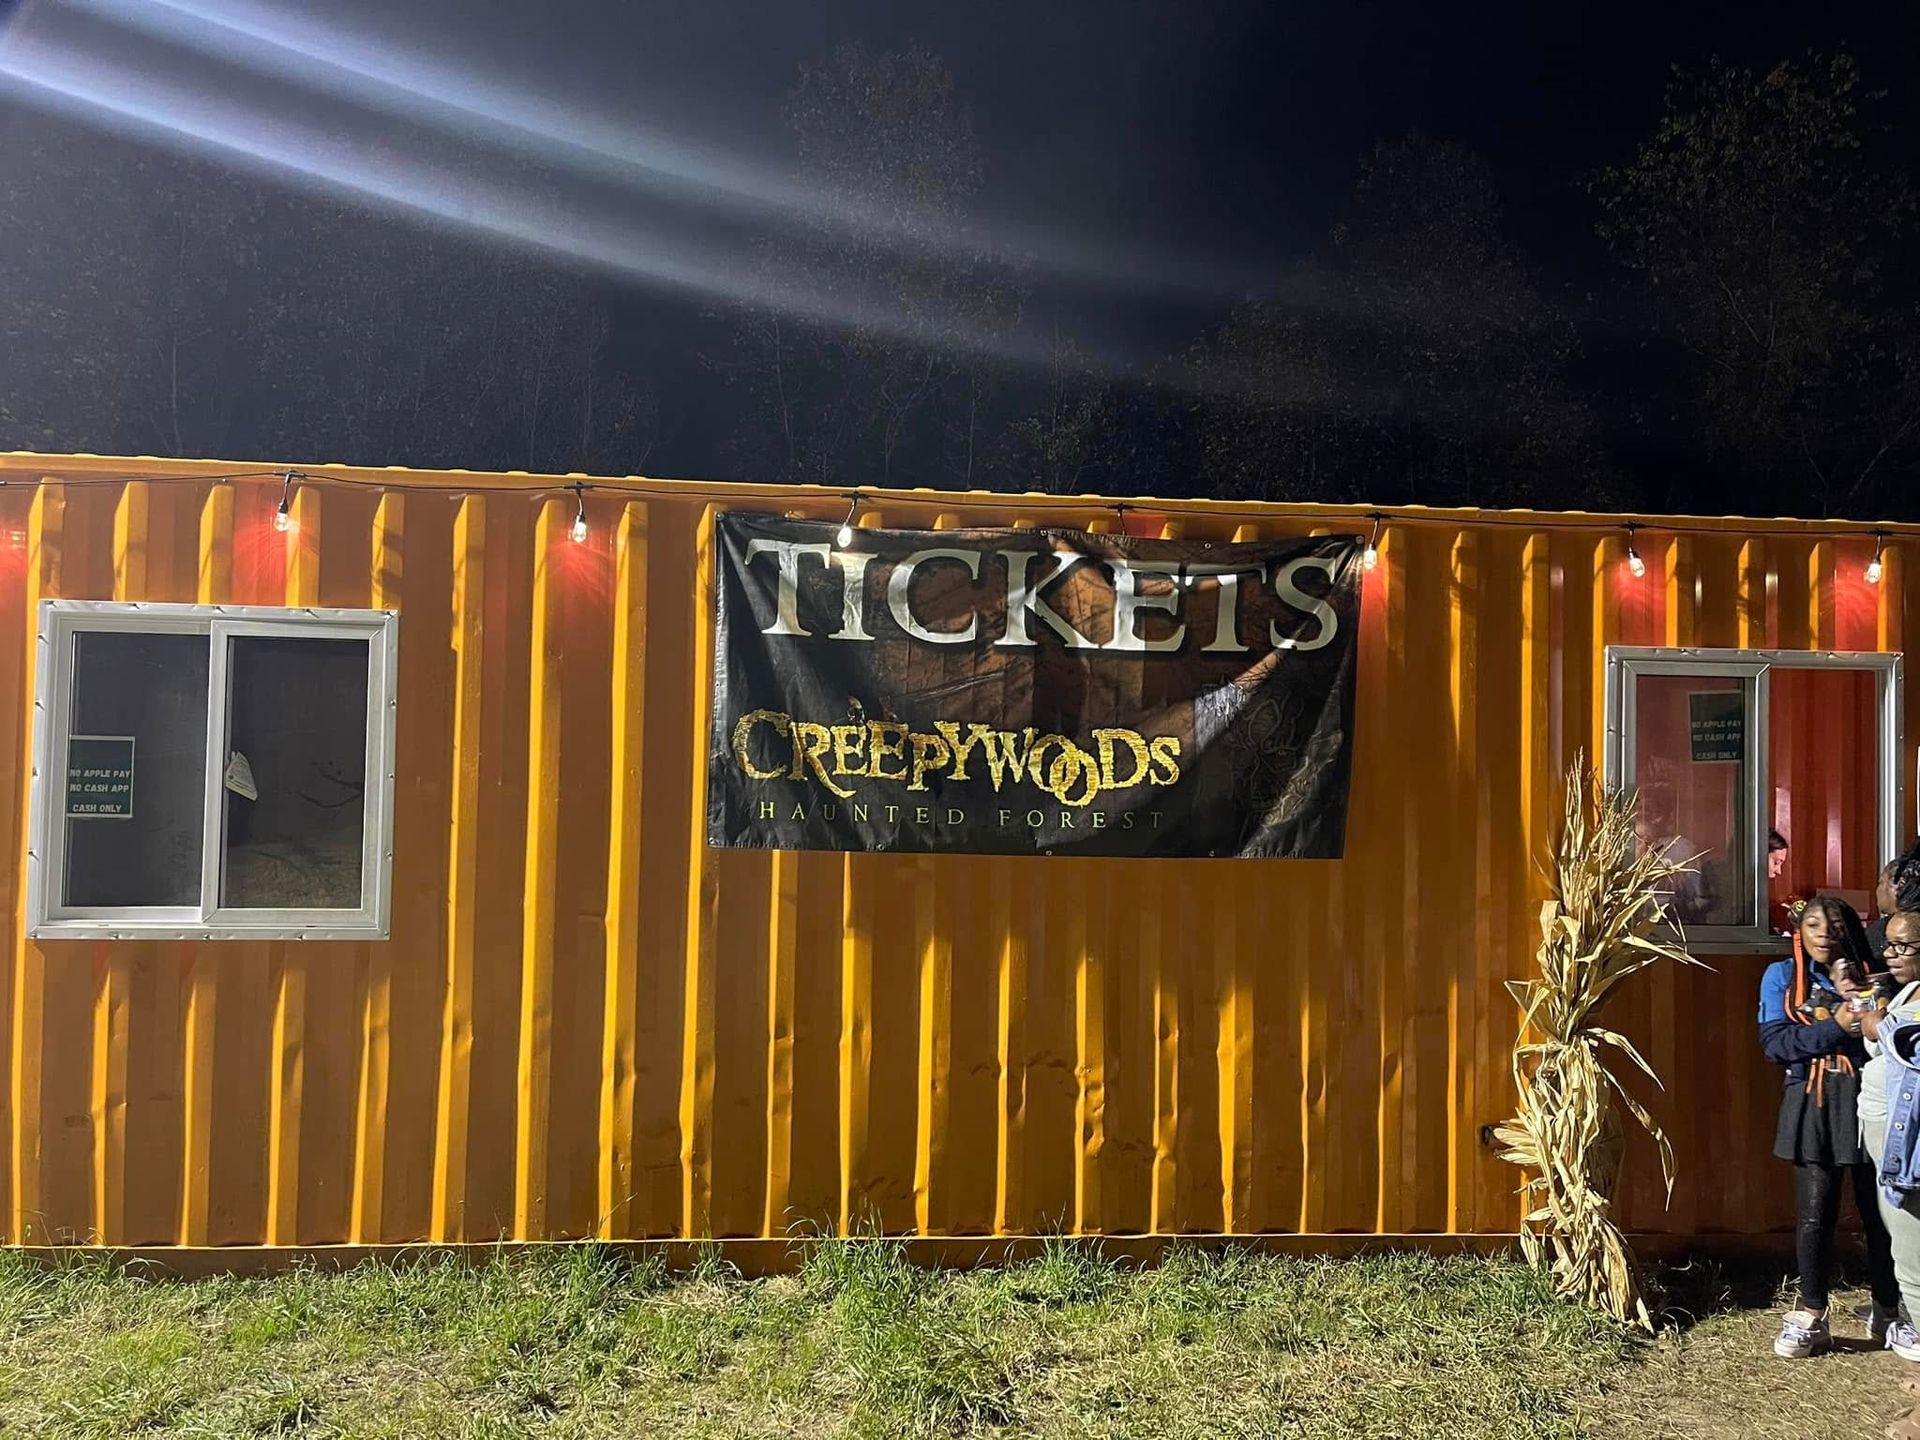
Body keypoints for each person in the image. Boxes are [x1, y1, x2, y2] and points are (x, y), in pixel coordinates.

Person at [1759, 895, 1903, 1357]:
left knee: (1881, 1214)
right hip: (1811, 1103)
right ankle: (1812, 1312)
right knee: (1814, 1214)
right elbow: (1778, 1044)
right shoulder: (1782, 978)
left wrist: (1861, 1005)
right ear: (1798, 932)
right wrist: (1839, 1024)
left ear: (1849, 931)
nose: (1824, 932)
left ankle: (1889, 1309)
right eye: (1814, 924)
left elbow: (1891, 1041)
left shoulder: (1878, 980)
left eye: (1834, 923)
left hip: (1869, 1102)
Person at [1859, 912, 1920, 1361]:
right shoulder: (1909, 987)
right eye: (1889, 945)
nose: (1891, 955)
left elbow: (1904, 1039)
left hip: (1908, 1139)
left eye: (1904, 947)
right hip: (1885, 1130)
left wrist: (1878, 1023)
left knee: (1910, 1243)